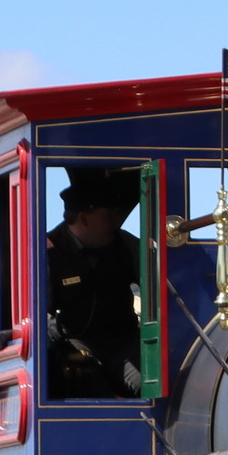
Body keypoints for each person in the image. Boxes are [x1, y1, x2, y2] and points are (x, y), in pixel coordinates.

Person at [46, 168, 145, 397]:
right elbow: (38, 314)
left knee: (148, 382)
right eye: (107, 216)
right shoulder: (49, 253)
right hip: (78, 342)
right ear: (84, 218)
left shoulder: (127, 246)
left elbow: (156, 285)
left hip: (123, 343)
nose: (114, 223)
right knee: (84, 378)